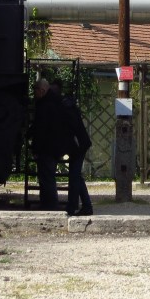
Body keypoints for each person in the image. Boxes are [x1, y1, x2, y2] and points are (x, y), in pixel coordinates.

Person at [51, 79, 93, 217]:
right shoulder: (66, 105)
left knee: (74, 177)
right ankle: (85, 205)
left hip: (77, 145)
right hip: (78, 144)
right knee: (76, 176)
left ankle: (74, 206)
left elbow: (70, 130)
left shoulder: (63, 107)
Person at [30, 78, 65, 210]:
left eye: (35, 90)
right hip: (53, 147)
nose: (34, 93)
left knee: (47, 177)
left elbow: (41, 129)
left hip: (47, 148)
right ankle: (47, 203)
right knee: (47, 176)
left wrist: (35, 148)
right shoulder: (54, 102)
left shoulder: (45, 105)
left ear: (42, 90)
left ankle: (50, 205)